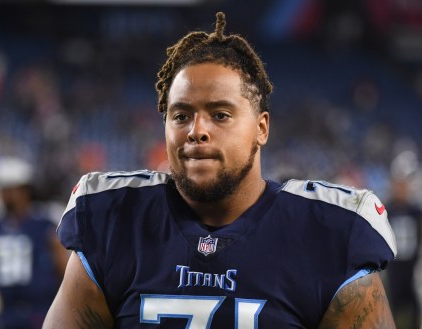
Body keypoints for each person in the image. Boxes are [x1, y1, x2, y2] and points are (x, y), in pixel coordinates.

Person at [43, 12, 397, 328]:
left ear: (262, 128)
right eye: (180, 116)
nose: (197, 130)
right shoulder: (114, 220)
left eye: (220, 114)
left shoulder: (329, 232)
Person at [0, 156, 69, 329]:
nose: (5, 194)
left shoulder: (44, 223)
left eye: (9, 189)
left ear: (24, 190)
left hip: (41, 310)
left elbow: (63, 268)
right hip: (8, 311)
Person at [386, 177, 421, 329]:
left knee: (413, 301)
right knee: (394, 301)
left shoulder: (415, 210)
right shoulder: (388, 209)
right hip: (394, 264)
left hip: (412, 263)